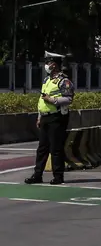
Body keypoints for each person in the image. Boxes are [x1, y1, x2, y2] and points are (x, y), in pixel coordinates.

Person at [25, 57, 74, 185]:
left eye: (50, 63)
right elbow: (42, 98)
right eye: (46, 63)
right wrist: (40, 116)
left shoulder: (64, 81)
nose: (47, 65)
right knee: (42, 148)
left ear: (56, 65)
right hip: (45, 117)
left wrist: (52, 100)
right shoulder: (47, 80)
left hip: (57, 117)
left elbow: (69, 99)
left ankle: (58, 176)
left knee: (56, 148)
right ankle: (37, 175)